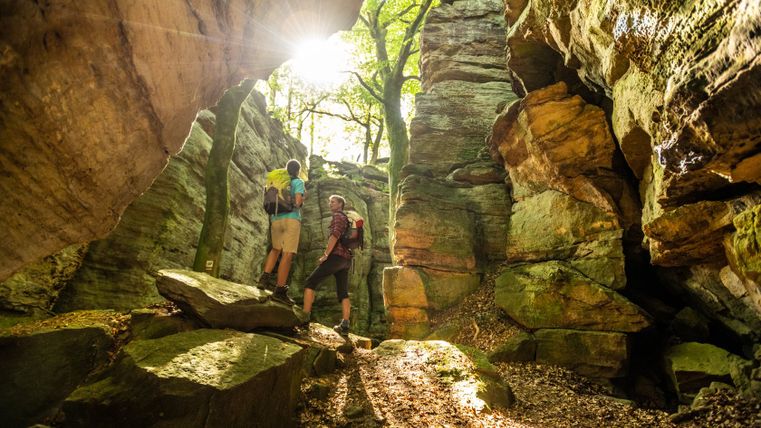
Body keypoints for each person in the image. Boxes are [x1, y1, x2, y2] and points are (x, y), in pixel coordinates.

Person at [302, 194, 353, 335]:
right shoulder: (347, 219)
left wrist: (326, 254)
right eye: (329, 201)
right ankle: (345, 325)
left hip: (336, 257)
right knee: (343, 292)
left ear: (340, 204)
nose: (330, 204)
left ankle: (304, 317)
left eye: (333, 202)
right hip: (346, 260)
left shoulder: (338, 216)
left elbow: (335, 235)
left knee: (310, 282)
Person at [259, 159, 305, 304]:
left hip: (276, 219)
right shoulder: (298, 182)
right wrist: (303, 198)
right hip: (291, 219)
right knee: (287, 254)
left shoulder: (278, 181)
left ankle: (263, 279)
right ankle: (279, 290)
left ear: (286, 169)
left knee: (275, 249)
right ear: (298, 170)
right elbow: (298, 203)